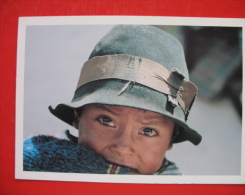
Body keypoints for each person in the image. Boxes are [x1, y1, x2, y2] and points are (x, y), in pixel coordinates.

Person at [23, 25, 202, 175]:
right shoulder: (38, 164)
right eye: (106, 121)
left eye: (148, 131)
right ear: (78, 117)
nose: (123, 147)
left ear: (171, 139)